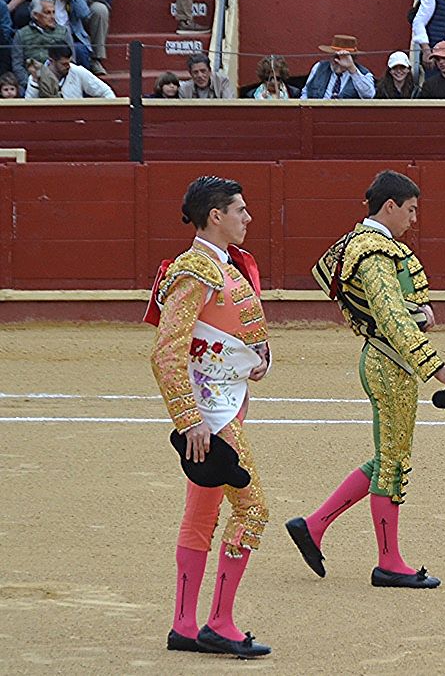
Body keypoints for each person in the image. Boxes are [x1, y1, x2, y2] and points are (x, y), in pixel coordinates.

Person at [287, 171, 445, 589]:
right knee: (393, 462)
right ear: (389, 206)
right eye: (410, 210)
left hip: (391, 361)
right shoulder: (373, 254)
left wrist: (419, 317)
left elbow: (390, 310)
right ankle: (389, 563)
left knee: (385, 457)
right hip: (390, 364)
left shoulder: (368, 247)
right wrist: (437, 368)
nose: (414, 219)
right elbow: (390, 316)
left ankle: (313, 525)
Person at [150, 175, 272, 658]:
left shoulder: (220, 266)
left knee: (201, 514)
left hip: (222, 404)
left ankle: (184, 624)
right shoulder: (195, 271)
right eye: (240, 210)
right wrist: (189, 419)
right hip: (210, 415)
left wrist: (257, 360)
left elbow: (228, 333)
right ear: (216, 216)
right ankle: (219, 622)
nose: (248, 217)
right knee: (253, 508)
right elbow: (166, 352)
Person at [36, 0, 91, 67]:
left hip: (72, 37)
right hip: (50, 35)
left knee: (80, 50)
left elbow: (84, 14)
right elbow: (39, 11)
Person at [24, 42, 112, 97]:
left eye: (69, 62)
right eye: (64, 64)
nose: (68, 66)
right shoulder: (36, 76)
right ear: (52, 61)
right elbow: (29, 105)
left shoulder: (78, 71)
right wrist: (35, 81)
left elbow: (106, 92)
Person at [11, 0, 73, 71]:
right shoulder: (21, 34)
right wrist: (27, 82)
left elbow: (72, 61)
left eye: (53, 12)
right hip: (32, 79)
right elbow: (17, 65)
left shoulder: (64, 32)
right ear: (35, 15)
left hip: (59, 78)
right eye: (47, 13)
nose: (53, 17)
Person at [303, 35, 375, 99]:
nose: (336, 61)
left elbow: (369, 96)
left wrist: (351, 68)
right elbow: (305, 92)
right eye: (335, 56)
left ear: (352, 58)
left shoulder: (364, 74)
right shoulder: (319, 67)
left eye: (342, 57)